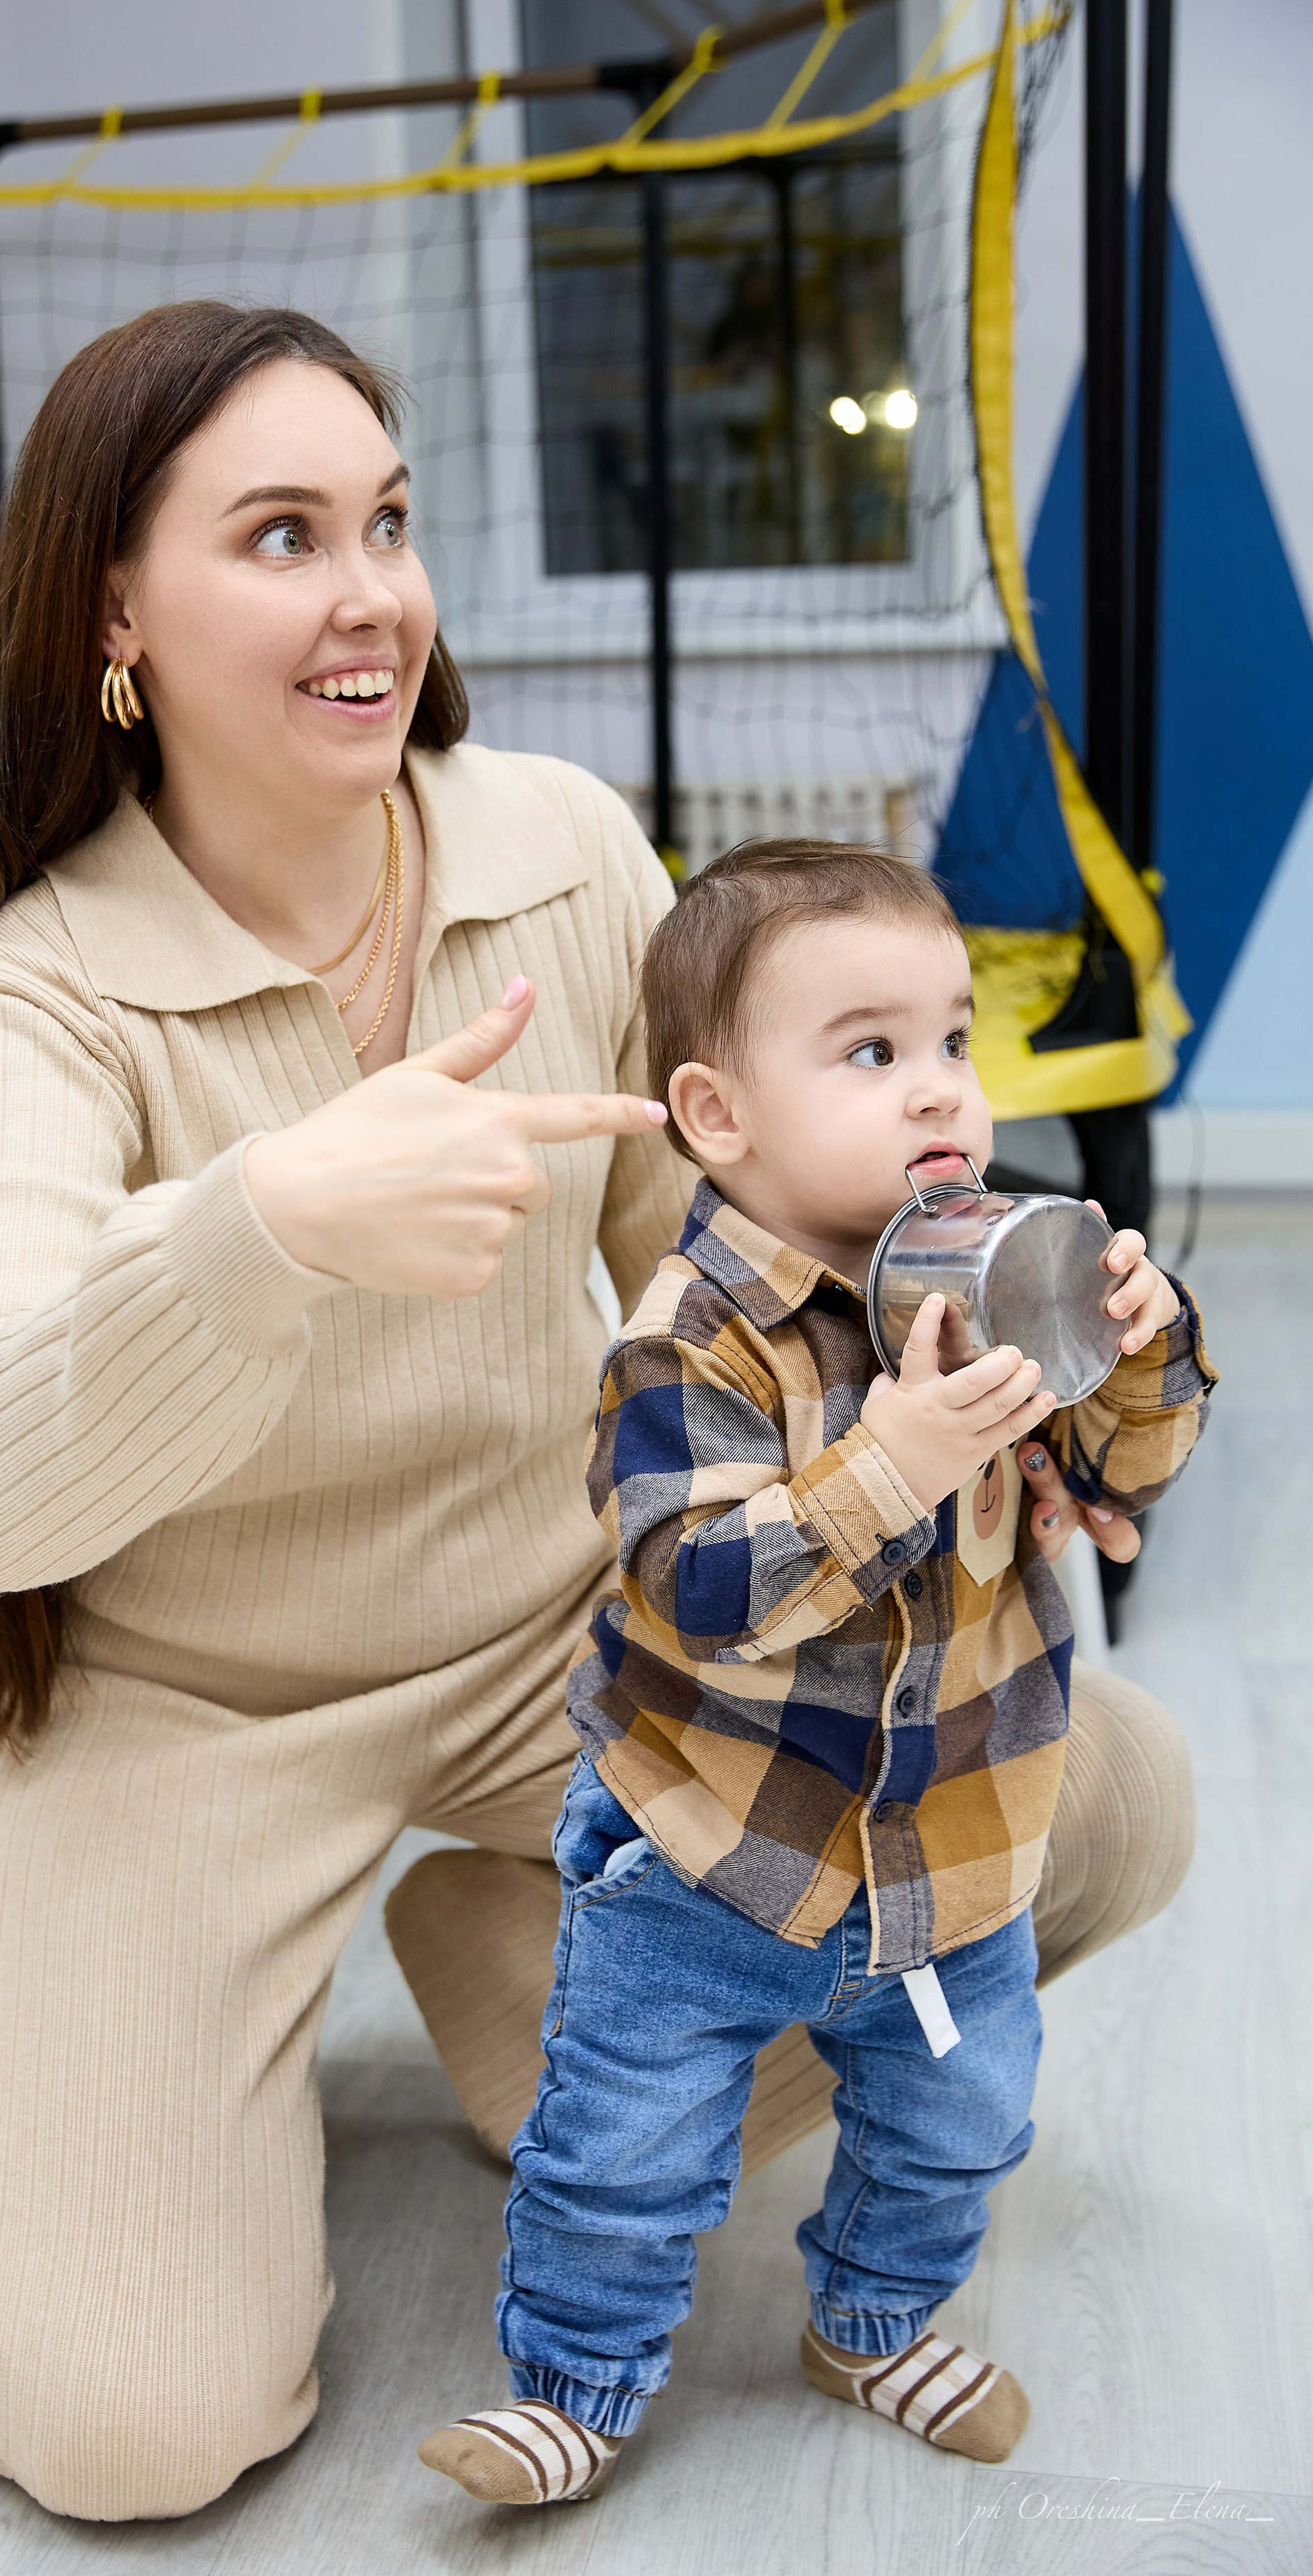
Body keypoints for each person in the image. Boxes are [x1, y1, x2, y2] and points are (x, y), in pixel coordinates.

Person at [0, 299, 1196, 2524]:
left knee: (1099, 1801)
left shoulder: (564, 847)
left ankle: (545, 1985)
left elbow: (748, 1244)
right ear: (115, 610)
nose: (372, 592)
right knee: (133, 2438)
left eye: (385, 523)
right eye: (281, 535)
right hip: (187, 1708)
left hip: (561, 1640)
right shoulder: (39, 990)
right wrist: (262, 1226)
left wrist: (1004, 1381)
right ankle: (27, 2152)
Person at [419, 842, 1215, 2509]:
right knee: (624, 2144)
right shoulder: (685, 1343)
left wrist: (1138, 1352)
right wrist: (893, 1457)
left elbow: (1124, 1477)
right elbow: (693, 1585)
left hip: (953, 1844)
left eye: (950, 1043)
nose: (937, 1093)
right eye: (868, 1053)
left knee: (959, 2125)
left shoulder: (990, 1278)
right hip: (707, 1855)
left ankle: (868, 2320)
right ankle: (574, 2381)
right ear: (719, 1116)